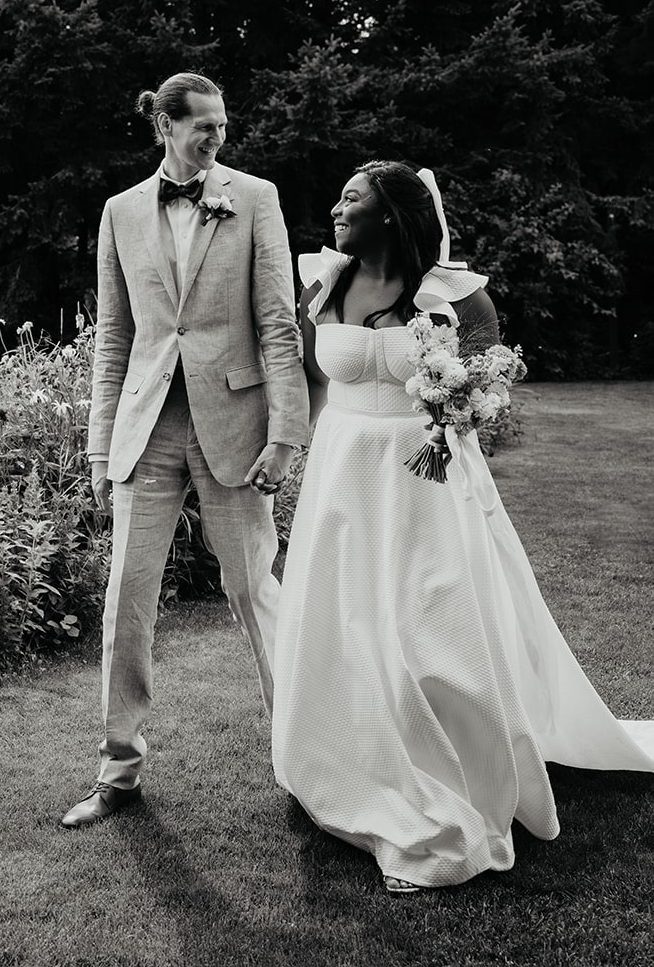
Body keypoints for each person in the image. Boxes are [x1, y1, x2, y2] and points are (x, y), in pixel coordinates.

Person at [272, 160, 654, 891]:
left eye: (351, 199)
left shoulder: (455, 294)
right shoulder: (323, 281)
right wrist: (291, 452)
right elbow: (315, 380)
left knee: (428, 628)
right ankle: (347, 764)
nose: (335, 208)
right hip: (342, 479)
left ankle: (455, 776)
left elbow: (490, 382)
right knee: (346, 625)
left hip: (427, 479)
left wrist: (453, 423)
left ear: (392, 214)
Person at [62, 72, 309, 827]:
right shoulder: (119, 212)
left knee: (251, 588)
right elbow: (113, 338)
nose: (216, 139)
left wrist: (285, 433)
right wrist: (101, 451)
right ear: (163, 126)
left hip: (233, 424)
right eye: (202, 126)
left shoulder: (254, 197)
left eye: (222, 127)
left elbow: (276, 322)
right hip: (146, 429)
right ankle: (118, 769)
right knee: (127, 601)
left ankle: (303, 756)